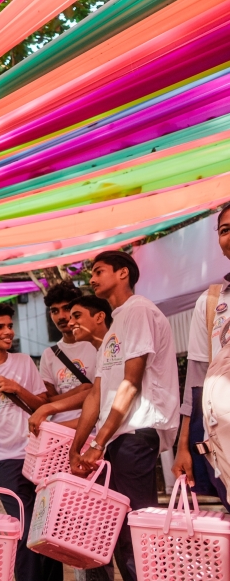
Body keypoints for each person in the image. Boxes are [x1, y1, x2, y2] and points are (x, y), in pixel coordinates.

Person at [70, 251, 180, 581]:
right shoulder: (117, 324)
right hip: (118, 439)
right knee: (117, 532)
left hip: (135, 434)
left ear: (123, 274)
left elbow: (131, 381)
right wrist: (77, 447)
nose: (91, 278)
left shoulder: (140, 311)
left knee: (138, 532)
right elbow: (97, 394)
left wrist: (98, 443)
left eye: (99, 271)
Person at [0, 302, 58, 581]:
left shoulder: (23, 362)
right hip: (3, 458)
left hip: (37, 455)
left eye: (10, 325)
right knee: (24, 525)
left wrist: (16, 388)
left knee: (45, 524)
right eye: (0, 327)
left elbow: (42, 406)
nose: (8, 331)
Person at [172, 202, 230, 505]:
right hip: (224, 441)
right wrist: (185, 445)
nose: (229, 235)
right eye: (224, 230)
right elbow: (196, 380)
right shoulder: (210, 303)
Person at [30, 295, 113, 436]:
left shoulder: (97, 344)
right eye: (54, 311)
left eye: (68, 310)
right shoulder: (49, 354)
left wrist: (50, 412)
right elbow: (48, 399)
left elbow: (99, 395)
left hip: (95, 428)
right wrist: (79, 391)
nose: (62, 317)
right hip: (61, 434)